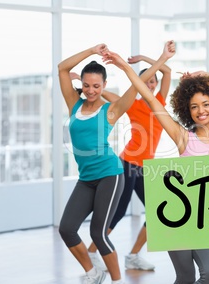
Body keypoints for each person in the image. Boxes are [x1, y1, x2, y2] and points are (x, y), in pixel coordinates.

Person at [128, 66, 209, 282]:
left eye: (205, 104)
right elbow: (152, 100)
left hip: (207, 220)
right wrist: (123, 66)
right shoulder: (183, 136)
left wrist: (203, 77)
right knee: (185, 277)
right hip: (178, 217)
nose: (201, 111)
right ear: (187, 110)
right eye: (194, 107)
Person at [85, 43, 175, 272]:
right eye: (146, 80)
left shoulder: (161, 102)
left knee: (157, 213)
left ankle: (133, 255)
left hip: (145, 167)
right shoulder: (133, 105)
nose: (151, 83)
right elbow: (105, 93)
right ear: (139, 83)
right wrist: (87, 87)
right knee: (118, 212)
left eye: (152, 80)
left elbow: (167, 72)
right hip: (127, 164)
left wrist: (144, 59)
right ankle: (91, 253)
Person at [57, 44, 141, 284]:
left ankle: (117, 281)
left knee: (98, 233)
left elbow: (137, 85)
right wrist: (92, 50)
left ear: (104, 86)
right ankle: (94, 273)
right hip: (86, 179)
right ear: (81, 84)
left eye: (96, 86)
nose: (91, 90)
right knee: (67, 228)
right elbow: (62, 69)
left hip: (109, 174)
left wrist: (123, 64)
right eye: (86, 85)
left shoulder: (110, 110)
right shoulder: (74, 103)